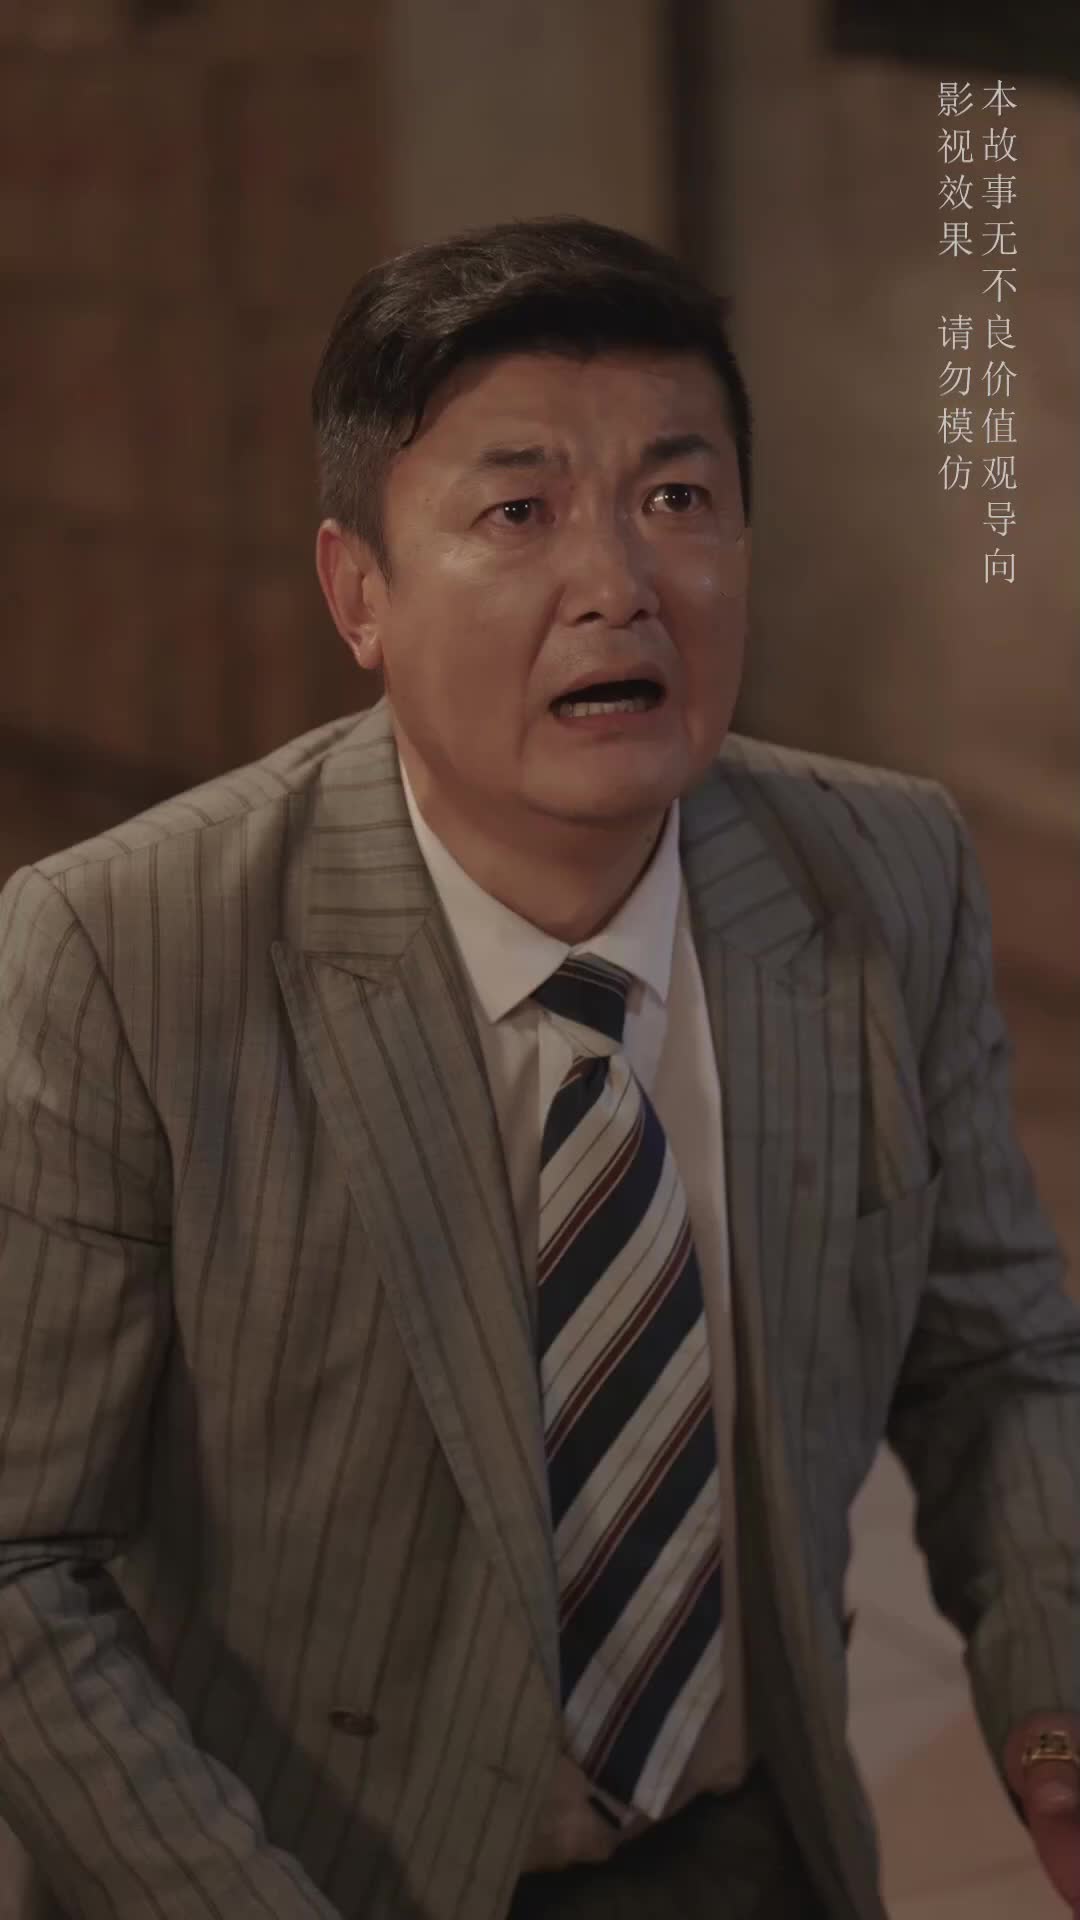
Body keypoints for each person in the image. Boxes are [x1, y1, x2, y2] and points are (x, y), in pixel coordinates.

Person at [0, 216, 1078, 1920]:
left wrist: (1053, 1711)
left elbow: (997, 1362)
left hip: (743, 1848)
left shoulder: (884, 875)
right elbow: (21, 1557)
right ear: (360, 592)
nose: (620, 582)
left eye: (678, 496)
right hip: (298, 1870)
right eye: (519, 513)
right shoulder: (123, 951)